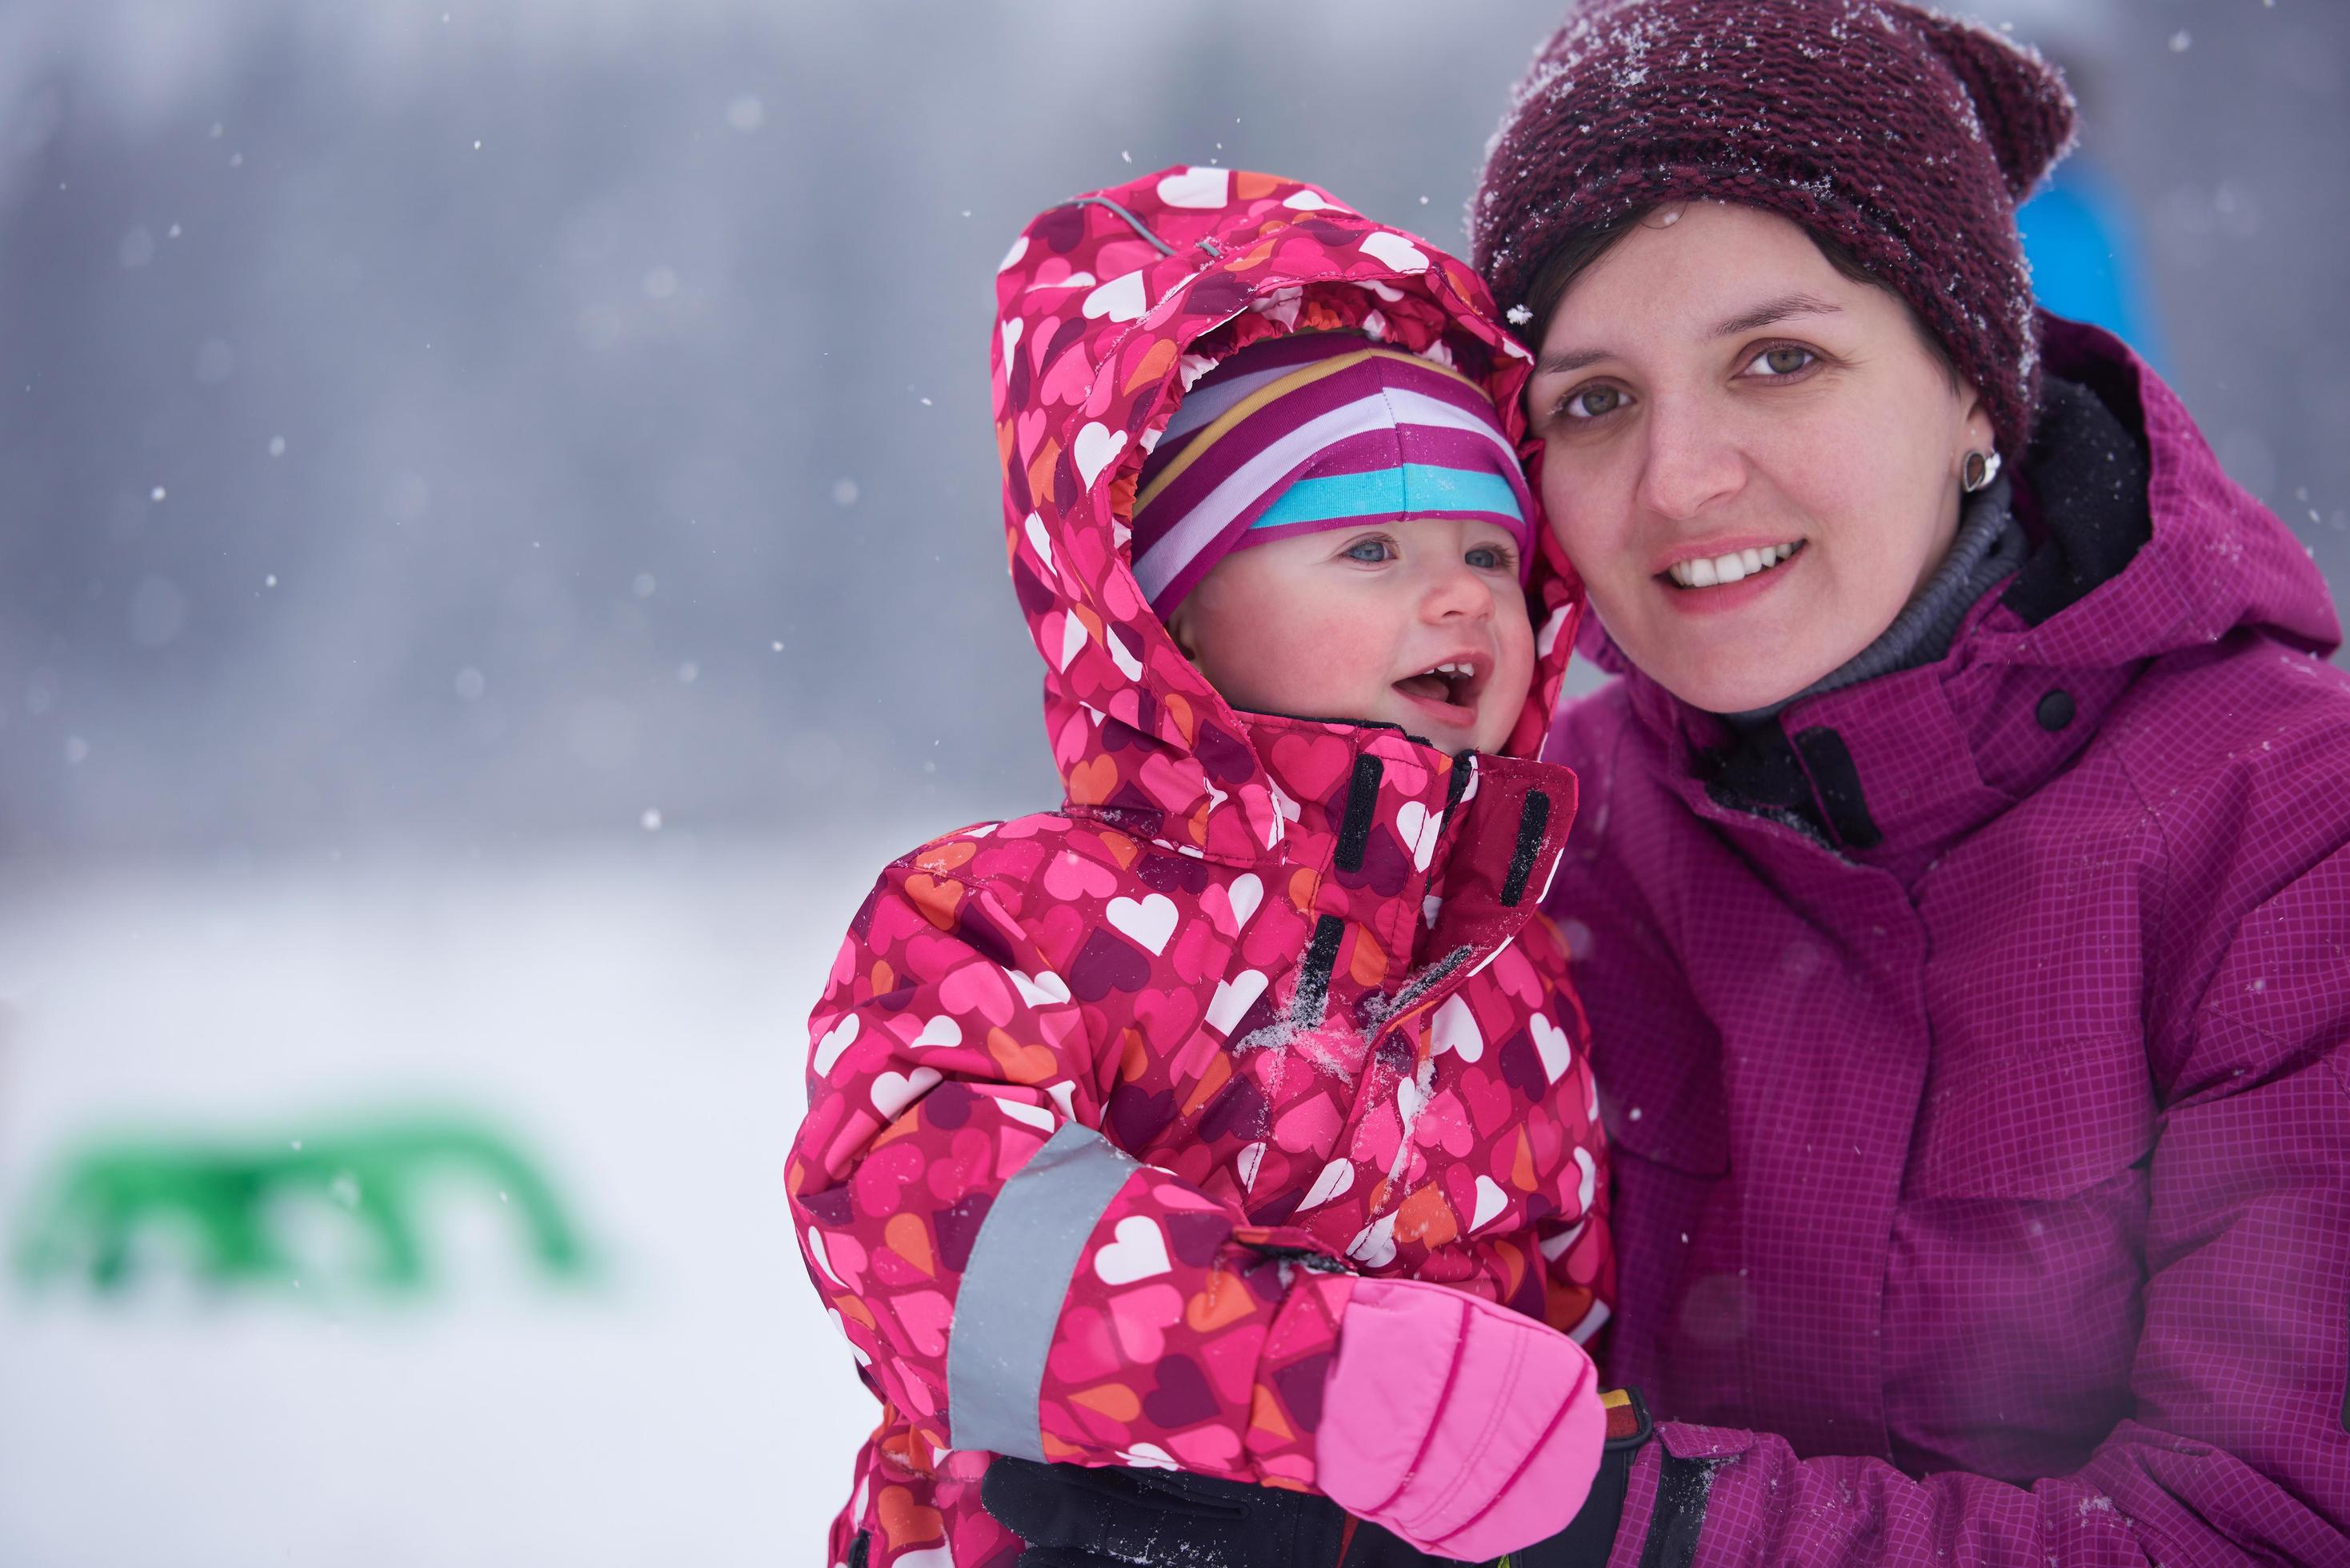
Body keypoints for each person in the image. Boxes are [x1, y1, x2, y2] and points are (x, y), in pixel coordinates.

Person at [988, 0, 2350, 1562]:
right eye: (1593, 399)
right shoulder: (1515, 851)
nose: (1678, 479)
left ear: (1978, 384)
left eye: (1778, 360)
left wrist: (1588, 1524)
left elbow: (2264, 1521)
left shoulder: (2284, 825)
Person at [788, 165, 1631, 1568]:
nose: (1458, 594)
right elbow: (923, 1226)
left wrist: (1572, 1473)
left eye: (1490, 548)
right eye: (1366, 546)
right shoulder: (1016, 915)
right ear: (1166, 610)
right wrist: (1319, 1382)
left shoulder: (1508, 967)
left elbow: (1565, 1310)